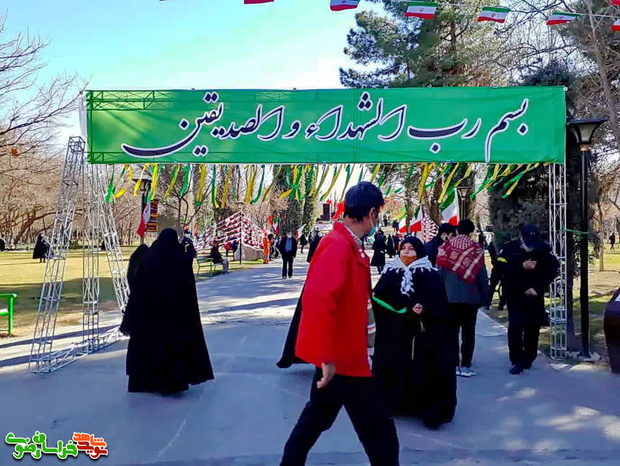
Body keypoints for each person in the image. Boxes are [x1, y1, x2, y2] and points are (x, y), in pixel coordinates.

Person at [281, 182, 399, 466]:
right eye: (378, 214)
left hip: (344, 357)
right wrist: (326, 357)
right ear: (372, 213)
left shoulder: (347, 244)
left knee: (316, 419)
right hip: (345, 360)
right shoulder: (338, 245)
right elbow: (319, 302)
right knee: (381, 436)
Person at [372, 237, 456, 429]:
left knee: (425, 369)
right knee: (393, 365)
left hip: (423, 334)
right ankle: (394, 404)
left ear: (419, 252)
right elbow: (379, 298)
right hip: (395, 332)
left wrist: (424, 309)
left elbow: (440, 303)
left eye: (411, 249)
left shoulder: (430, 274)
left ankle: (428, 410)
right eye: (404, 248)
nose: (406, 252)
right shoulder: (390, 271)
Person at [124, 229, 214, 394]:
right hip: (174, 316)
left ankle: (148, 381)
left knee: (151, 348)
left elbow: (137, 285)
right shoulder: (179, 259)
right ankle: (172, 382)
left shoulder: (149, 258)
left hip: (150, 315)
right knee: (173, 349)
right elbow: (187, 286)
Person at [499, 225, 558, 375]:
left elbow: (552, 270)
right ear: (521, 237)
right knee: (515, 326)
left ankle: (529, 358)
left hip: (534, 294)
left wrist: (538, 287)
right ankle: (516, 360)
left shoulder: (543, 249)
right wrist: (521, 266)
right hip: (515, 294)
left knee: (533, 327)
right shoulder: (509, 248)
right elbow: (501, 267)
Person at [436, 219, 490, 378]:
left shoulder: (445, 248)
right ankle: (466, 364)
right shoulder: (476, 249)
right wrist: (485, 297)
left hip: (450, 296)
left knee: (452, 332)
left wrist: (439, 294)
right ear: (472, 231)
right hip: (471, 297)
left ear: (457, 230)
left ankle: (453, 363)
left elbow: (439, 273)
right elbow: (482, 275)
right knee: (468, 332)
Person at [488, 240, 506, 310]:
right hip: (498, 268)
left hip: (501, 268)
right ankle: (489, 302)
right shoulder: (493, 244)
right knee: (493, 286)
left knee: (503, 287)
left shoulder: (495, 244)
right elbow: (492, 258)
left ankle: (501, 303)